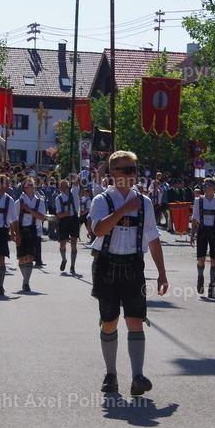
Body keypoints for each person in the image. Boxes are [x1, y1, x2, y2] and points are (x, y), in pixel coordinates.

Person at [89, 150, 169, 395]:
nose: (132, 175)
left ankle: (137, 376)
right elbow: (99, 231)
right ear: (113, 173)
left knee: (135, 319)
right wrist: (124, 210)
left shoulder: (144, 202)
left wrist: (162, 274)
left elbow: (153, 239)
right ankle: (111, 374)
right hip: (107, 266)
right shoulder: (102, 200)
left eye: (134, 169)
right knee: (110, 321)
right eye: (127, 170)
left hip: (134, 265)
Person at [190, 177, 215, 298]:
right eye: (204, 186)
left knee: (213, 259)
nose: (204, 188)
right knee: (201, 258)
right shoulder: (198, 200)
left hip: (214, 230)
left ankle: (212, 285)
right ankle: (200, 278)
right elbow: (194, 218)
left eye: (207, 186)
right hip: (202, 229)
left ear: (213, 188)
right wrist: (192, 235)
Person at [16, 177, 47, 292]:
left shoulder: (40, 201)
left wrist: (29, 209)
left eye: (32, 185)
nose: (31, 187)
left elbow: (41, 217)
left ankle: (26, 282)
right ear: (24, 188)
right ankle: (25, 278)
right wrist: (14, 233)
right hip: (21, 229)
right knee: (20, 258)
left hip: (33, 229)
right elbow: (13, 219)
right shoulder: (18, 201)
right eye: (28, 185)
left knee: (30, 256)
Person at [53, 178, 81, 275]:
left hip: (73, 219)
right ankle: (64, 259)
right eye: (62, 184)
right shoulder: (58, 198)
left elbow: (76, 179)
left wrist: (72, 164)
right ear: (60, 187)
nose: (65, 184)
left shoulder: (74, 193)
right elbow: (58, 214)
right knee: (62, 244)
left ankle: (72, 266)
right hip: (64, 221)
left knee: (74, 243)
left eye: (66, 183)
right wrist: (64, 213)